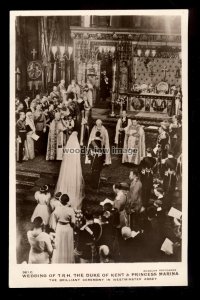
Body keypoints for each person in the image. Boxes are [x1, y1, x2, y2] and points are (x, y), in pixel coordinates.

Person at [55, 131, 85, 209]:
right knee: (73, 178)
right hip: (74, 166)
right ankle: (73, 194)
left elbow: (65, 157)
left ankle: (63, 193)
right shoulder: (76, 145)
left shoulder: (68, 145)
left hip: (67, 166)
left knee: (66, 177)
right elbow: (77, 157)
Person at [52, 194, 75, 263]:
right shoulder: (70, 210)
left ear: (60, 201)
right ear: (68, 201)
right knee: (67, 244)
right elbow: (73, 222)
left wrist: (56, 228)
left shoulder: (57, 209)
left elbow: (54, 221)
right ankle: (67, 260)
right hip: (68, 228)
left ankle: (59, 260)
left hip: (59, 227)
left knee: (59, 244)